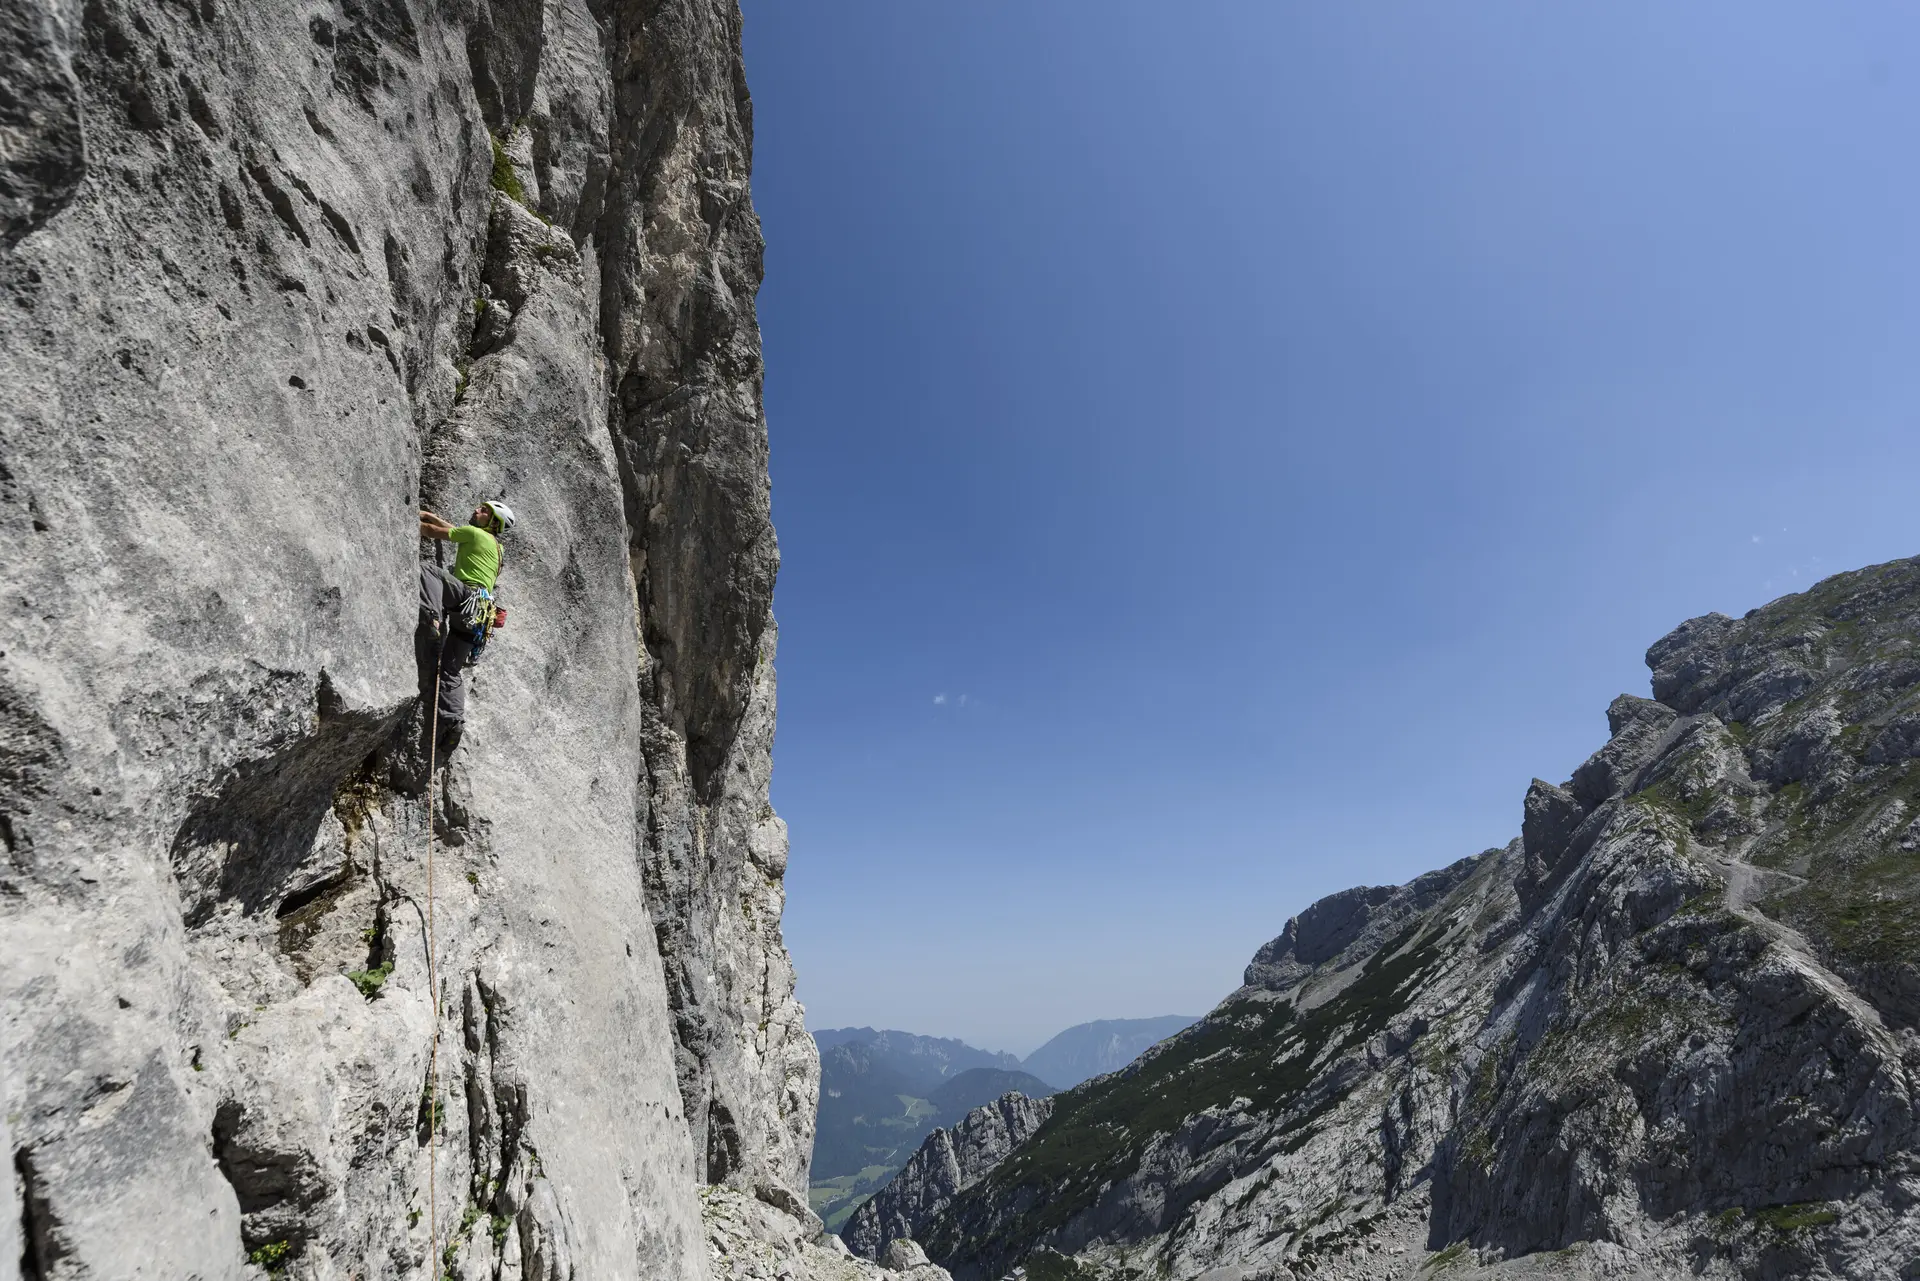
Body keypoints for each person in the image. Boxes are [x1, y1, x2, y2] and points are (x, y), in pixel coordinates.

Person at [416, 500, 514, 759]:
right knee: (449, 671)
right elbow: (457, 531)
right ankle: (453, 721)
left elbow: (429, 532)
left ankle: (433, 619)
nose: (476, 511)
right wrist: (433, 515)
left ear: (493, 522)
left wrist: (411, 517)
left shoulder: (473, 533)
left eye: (483, 511)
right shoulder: (497, 548)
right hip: (480, 616)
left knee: (429, 571)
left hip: (465, 599)